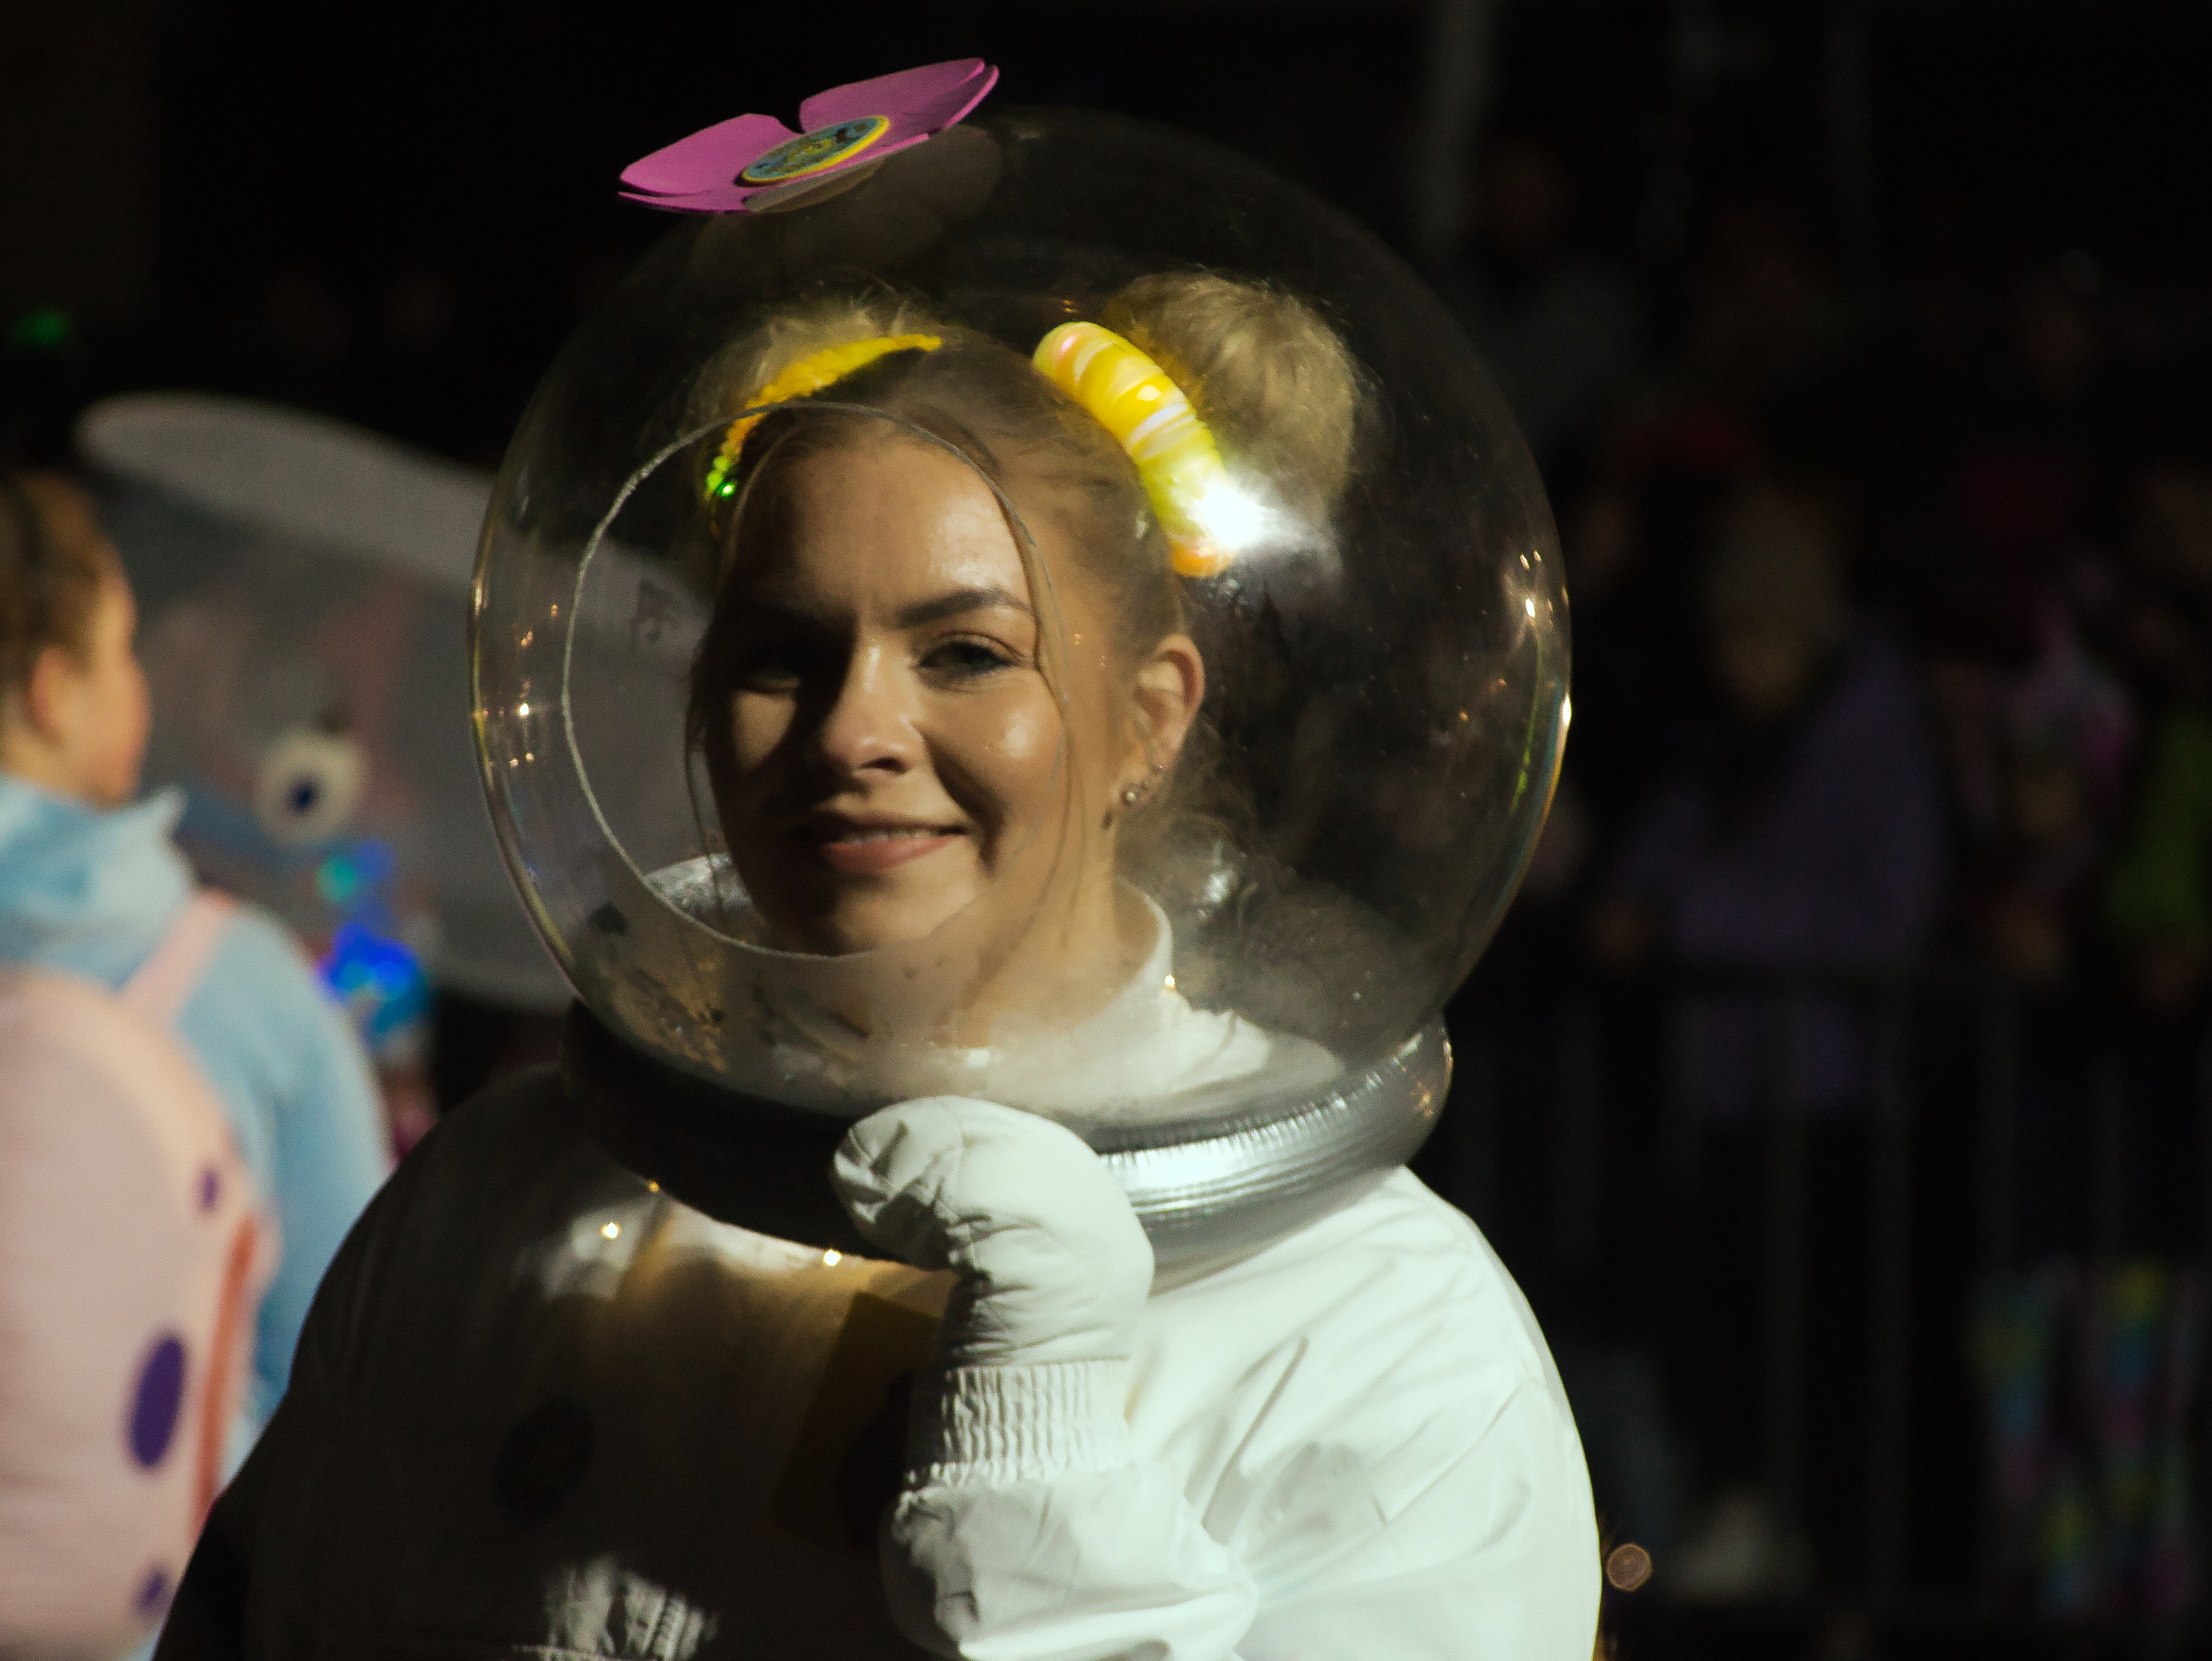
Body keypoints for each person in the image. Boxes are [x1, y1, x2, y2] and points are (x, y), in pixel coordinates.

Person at [161, 72, 1596, 1660]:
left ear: (1149, 714)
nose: (855, 728)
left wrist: (1042, 1475)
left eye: (966, 651)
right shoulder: (504, 1198)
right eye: (784, 649)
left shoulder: (1382, 1333)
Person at [0, 471, 389, 1458]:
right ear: (51, 694)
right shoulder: (242, 986)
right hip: (147, 1605)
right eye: (119, 653)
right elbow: (350, 1362)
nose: (138, 682)